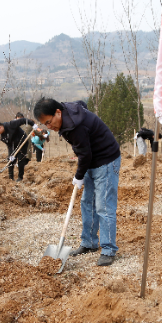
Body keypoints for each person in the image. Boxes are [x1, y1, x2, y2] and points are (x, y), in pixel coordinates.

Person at [33, 97, 121, 267]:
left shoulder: (74, 126)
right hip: (91, 159)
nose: (49, 127)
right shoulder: (67, 111)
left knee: (104, 205)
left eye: (50, 122)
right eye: (45, 125)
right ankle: (88, 243)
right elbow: (82, 104)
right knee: (87, 202)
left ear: (58, 112)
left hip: (106, 159)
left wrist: (79, 175)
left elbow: (85, 154)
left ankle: (109, 249)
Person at [0, 116, 35, 182]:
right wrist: (11, 155)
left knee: (21, 160)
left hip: (23, 143)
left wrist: (32, 124)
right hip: (13, 146)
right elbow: (9, 146)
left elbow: (22, 120)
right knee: (10, 161)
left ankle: (20, 177)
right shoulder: (3, 137)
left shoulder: (11, 124)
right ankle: (11, 178)